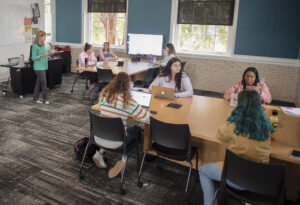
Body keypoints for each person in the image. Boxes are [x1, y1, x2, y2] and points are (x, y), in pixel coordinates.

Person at [199, 90, 274, 205]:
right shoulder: (266, 124)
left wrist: (230, 118)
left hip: (235, 177)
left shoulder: (234, 124)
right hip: (260, 180)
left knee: (203, 170)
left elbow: (219, 135)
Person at [93, 72, 150, 179]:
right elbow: (146, 118)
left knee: (119, 127)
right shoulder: (128, 101)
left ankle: (99, 153)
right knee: (136, 131)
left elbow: (104, 110)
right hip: (117, 142)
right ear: (128, 85)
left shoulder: (103, 94)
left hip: (98, 137)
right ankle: (123, 161)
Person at [31, 30, 56, 104]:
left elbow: (44, 54)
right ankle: (45, 99)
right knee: (44, 83)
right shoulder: (35, 46)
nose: (45, 38)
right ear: (40, 37)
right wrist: (42, 55)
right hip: (38, 67)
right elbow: (34, 58)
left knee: (38, 83)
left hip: (44, 66)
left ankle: (35, 98)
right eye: (44, 36)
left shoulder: (42, 45)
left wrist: (49, 52)